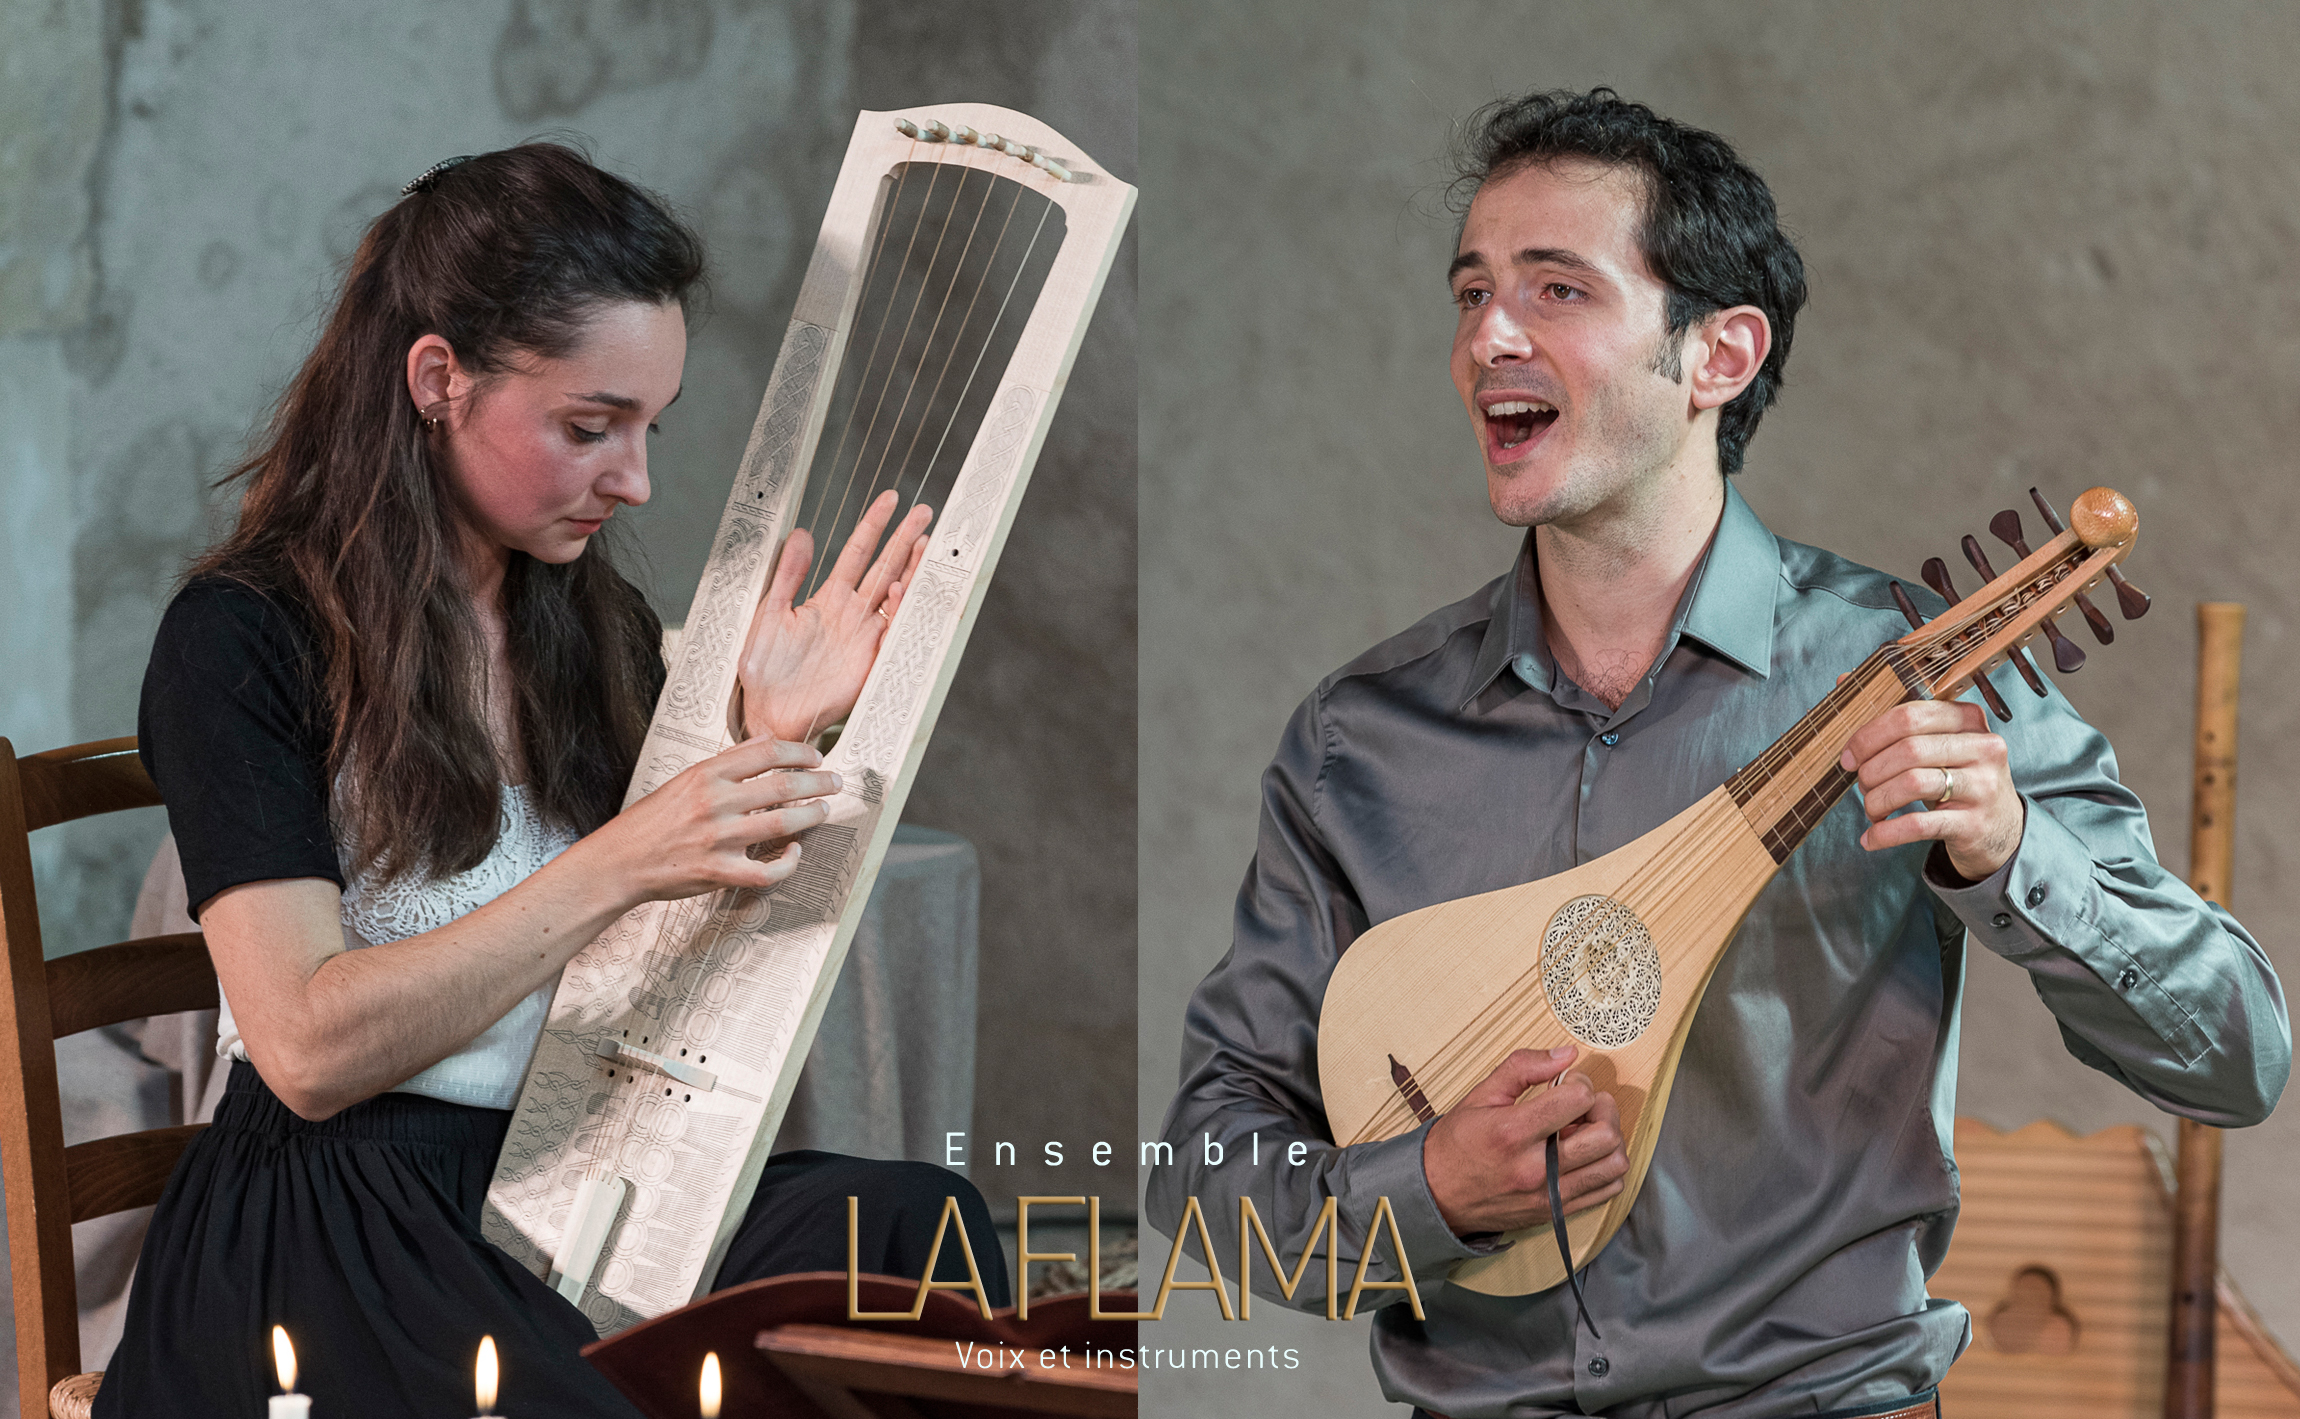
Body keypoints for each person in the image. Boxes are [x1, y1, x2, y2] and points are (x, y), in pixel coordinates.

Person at [1149, 89, 2288, 1419]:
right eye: (1471, 292)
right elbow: (1204, 1170)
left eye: (1556, 288)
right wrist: (1428, 1192)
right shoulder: (1365, 738)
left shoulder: (1917, 677)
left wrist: (2012, 852)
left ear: (1719, 355)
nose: (1488, 337)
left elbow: (2237, 1055)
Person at [101, 144, 1008, 1418]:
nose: (634, 480)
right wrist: (623, 857)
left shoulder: (588, 622)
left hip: (563, 1156)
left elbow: (642, 977)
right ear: (438, 380)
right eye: (589, 427)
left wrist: (772, 738)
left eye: (647, 428)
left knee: (910, 1237)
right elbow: (303, 1048)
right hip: (331, 1207)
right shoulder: (242, 637)